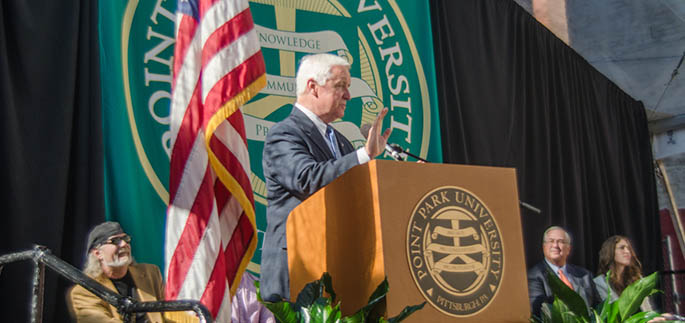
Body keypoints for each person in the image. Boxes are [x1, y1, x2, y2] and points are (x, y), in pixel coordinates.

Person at [260, 53, 391, 302]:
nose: (348, 96)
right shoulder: (283, 134)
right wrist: (365, 154)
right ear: (313, 87)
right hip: (298, 271)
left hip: (340, 268)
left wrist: (401, 182)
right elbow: (307, 179)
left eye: (348, 88)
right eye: (341, 86)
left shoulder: (339, 141)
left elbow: (358, 194)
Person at [67, 221, 194, 322]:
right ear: (97, 253)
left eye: (126, 239)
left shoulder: (150, 273)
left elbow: (168, 312)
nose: (123, 244)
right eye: (115, 241)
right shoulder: (83, 292)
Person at [527, 226, 600, 318]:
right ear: (543, 246)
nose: (555, 245)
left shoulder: (585, 275)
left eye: (560, 241)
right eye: (551, 241)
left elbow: (599, 307)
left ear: (568, 249)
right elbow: (540, 311)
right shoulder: (534, 276)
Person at [594, 235, 654, 310]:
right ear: (610, 252)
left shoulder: (638, 279)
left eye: (628, 248)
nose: (627, 252)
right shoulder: (600, 282)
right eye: (622, 248)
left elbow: (648, 310)